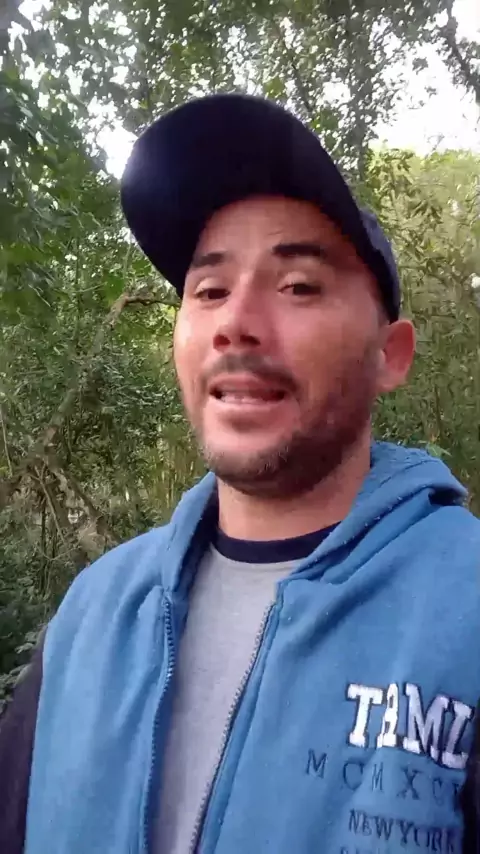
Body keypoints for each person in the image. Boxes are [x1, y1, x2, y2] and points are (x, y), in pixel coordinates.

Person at [0, 93, 479, 854]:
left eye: (298, 286)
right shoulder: (92, 612)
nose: (235, 322)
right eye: (210, 290)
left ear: (390, 355)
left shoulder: (464, 612)